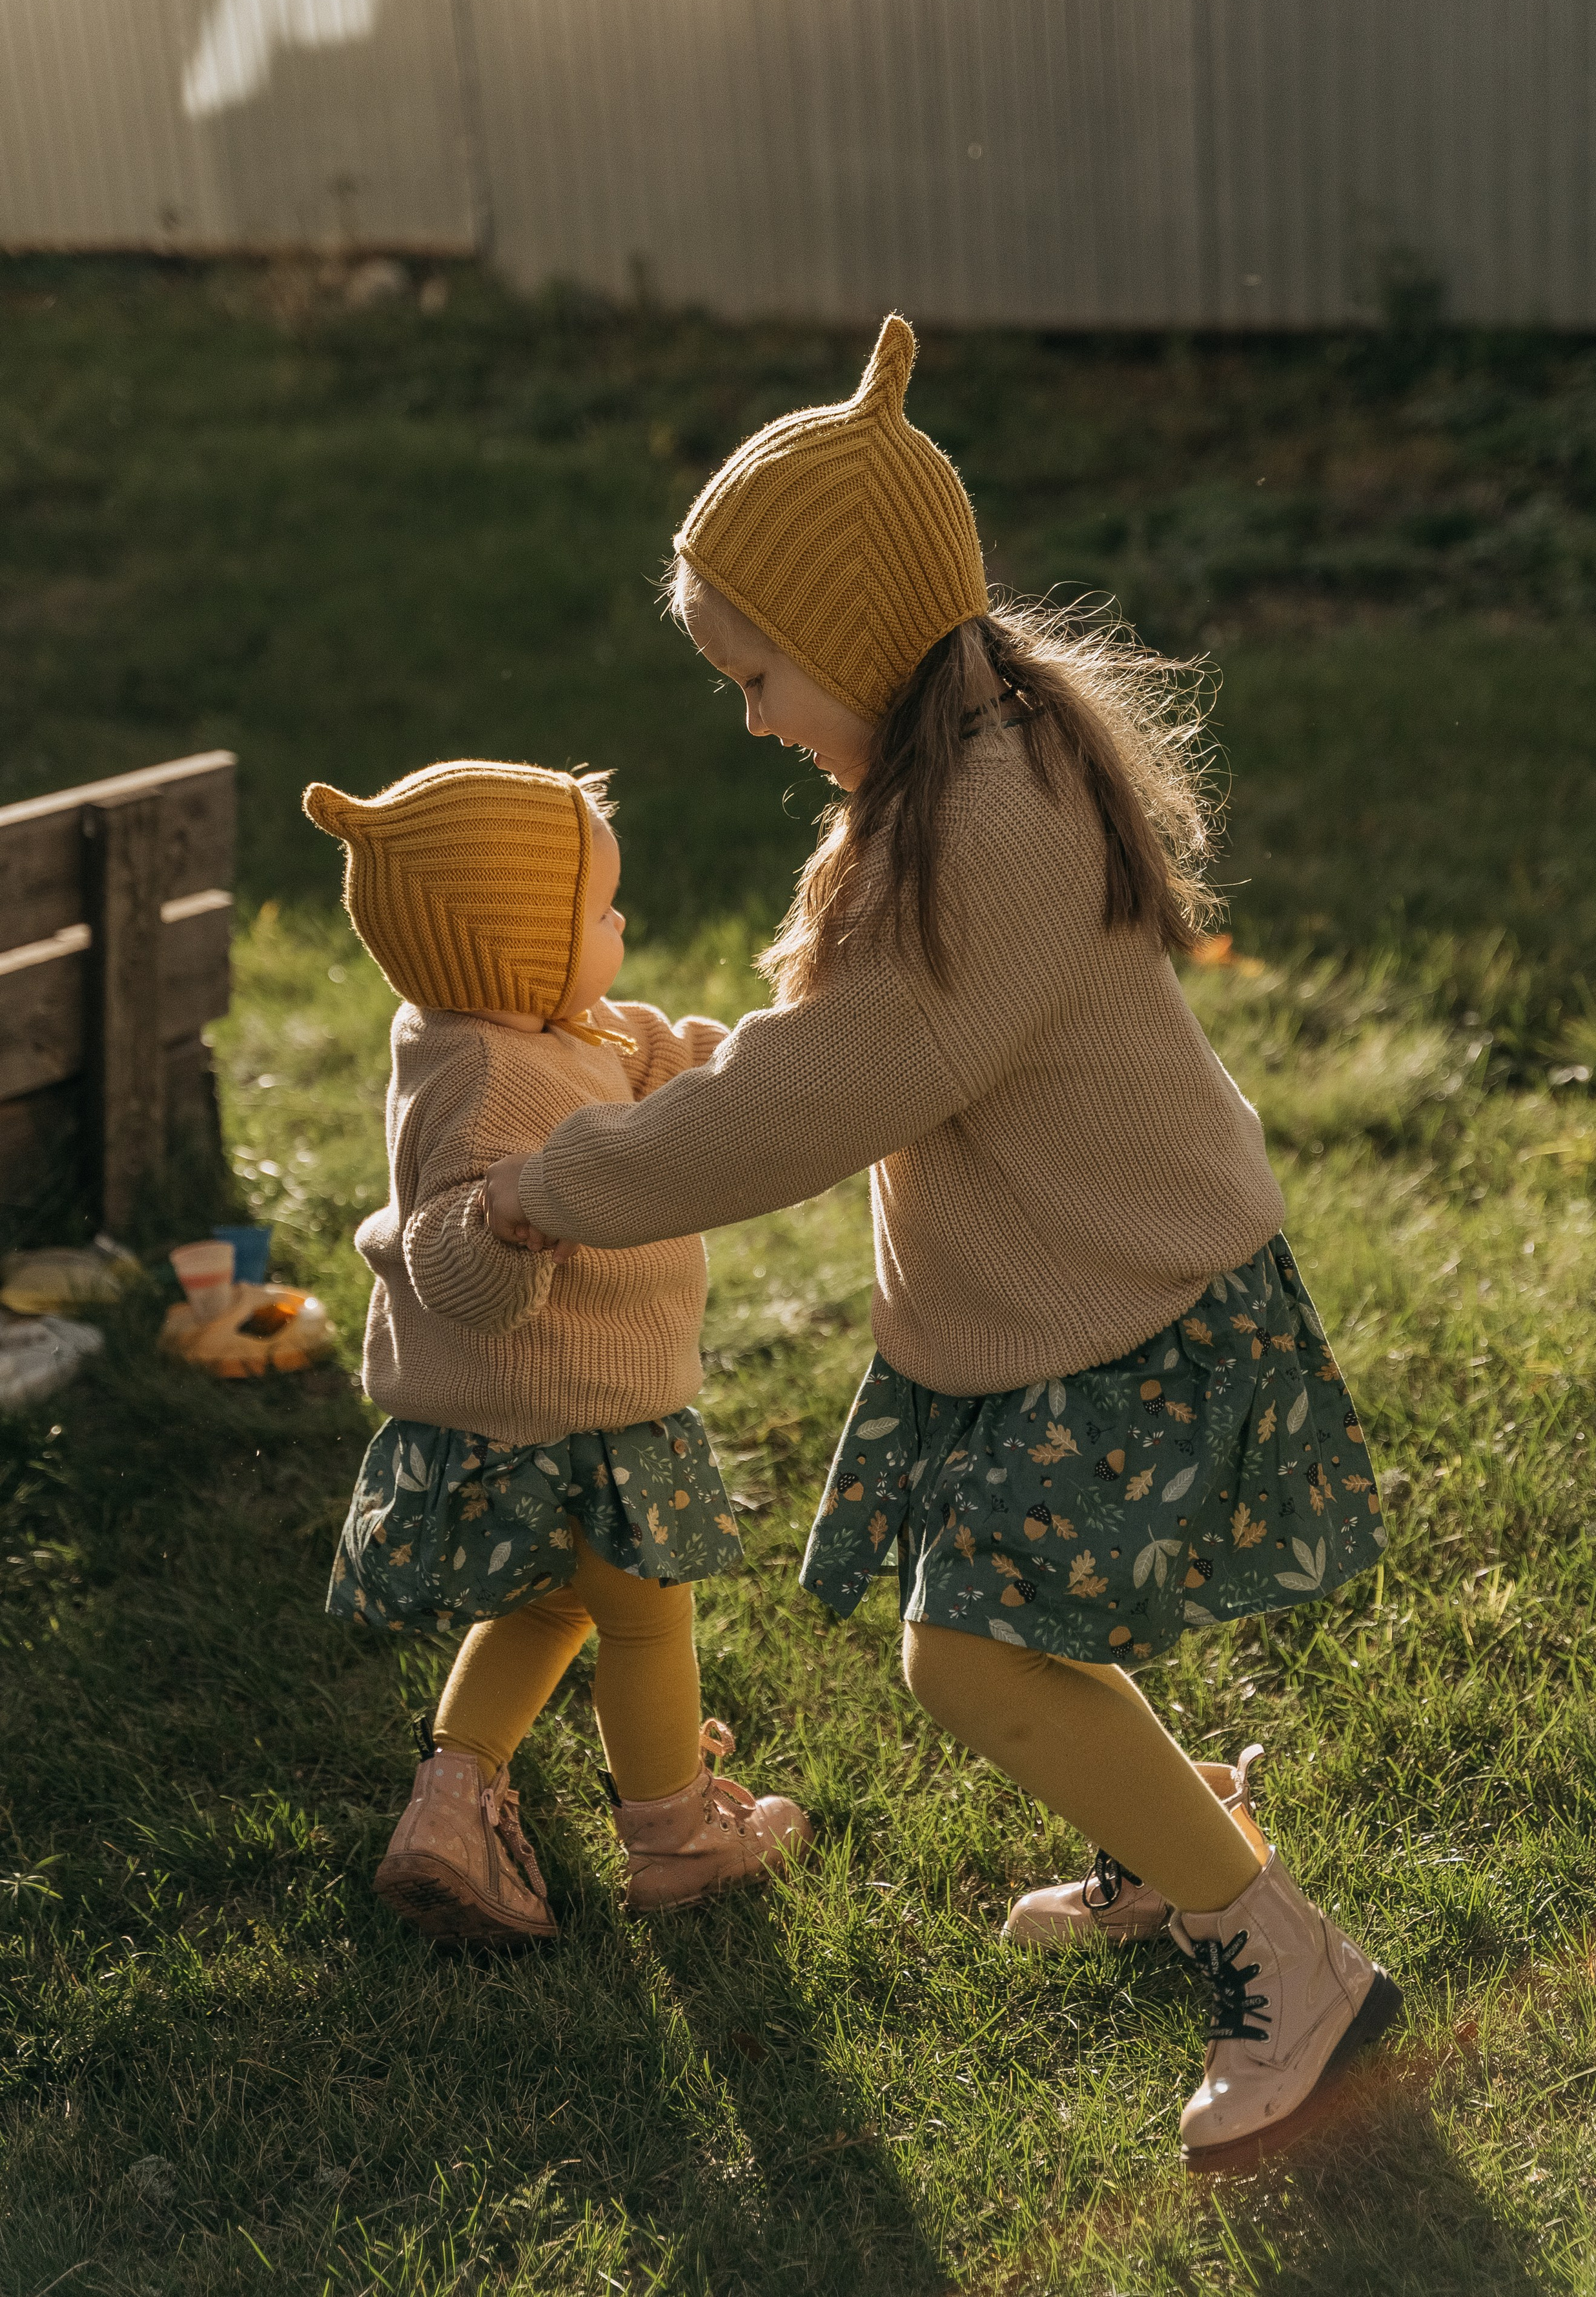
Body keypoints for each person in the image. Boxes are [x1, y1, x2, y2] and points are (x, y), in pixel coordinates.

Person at [483, 320, 1398, 2166]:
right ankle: (1167, 1849)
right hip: (1058, 1301)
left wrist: (569, 1178)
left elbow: (858, 1079)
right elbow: (850, 1037)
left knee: (970, 1654)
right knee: (1025, 1619)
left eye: (758, 672)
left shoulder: (994, 813)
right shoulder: (947, 759)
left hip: (1130, 1311)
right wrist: (706, 1065)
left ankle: (1287, 1961)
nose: (745, 713)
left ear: (868, 640)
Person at [305, 758, 808, 1950]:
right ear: (511, 948)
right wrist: (502, 1220)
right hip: (574, 1416)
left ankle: (449, 1802)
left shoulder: (552, 1027)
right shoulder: (485, 1072)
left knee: (547, 1604)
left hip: (527, 1421)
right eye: (595, 912)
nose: (619, 924)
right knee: (643, 1616)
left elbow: (667, 1065)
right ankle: (676, 1838)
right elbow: (448, 1257)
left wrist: (794, 1040)